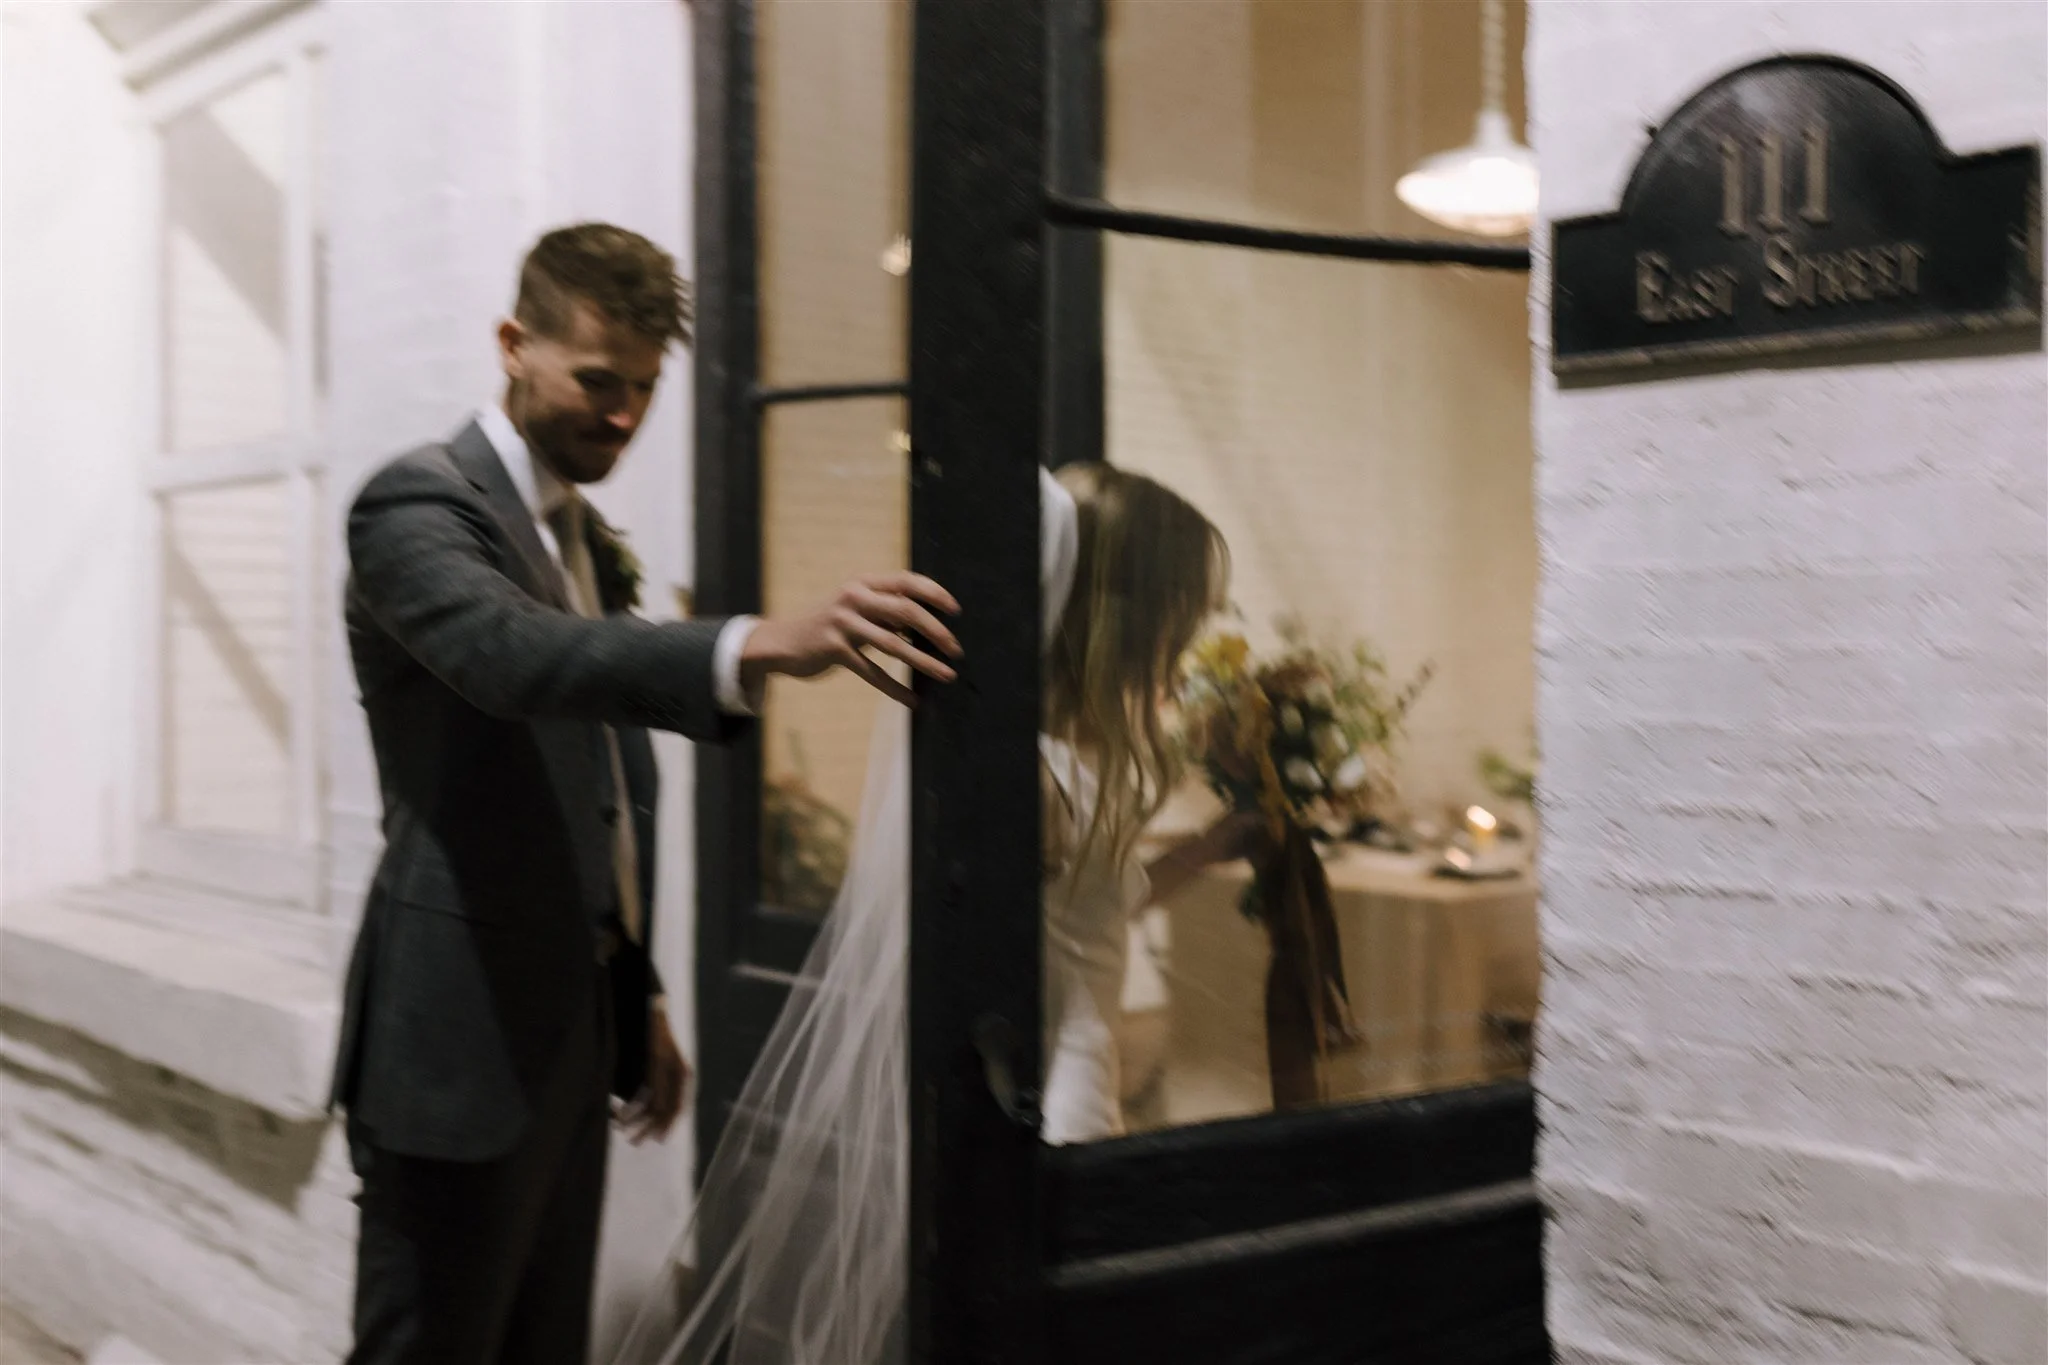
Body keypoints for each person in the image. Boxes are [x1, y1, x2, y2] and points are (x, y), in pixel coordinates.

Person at [328, 222, 961, 1365]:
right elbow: (515, 661)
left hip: (572, 1036)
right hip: (452, 1046)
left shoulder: (577, 534)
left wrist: (639, 989)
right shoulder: (414, 508)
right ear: (514, 344)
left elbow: (605, 784)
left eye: (644, 391)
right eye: (597, 382)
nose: (621, 417)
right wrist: (757, 643)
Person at [614, 462, 1256, 1365]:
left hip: (1086, 1068)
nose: (1191, 636)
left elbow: (1091, 912)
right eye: (1183, 611)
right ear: (1131, 614)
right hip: (1059, 1095)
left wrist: (1209, 845)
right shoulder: (1027, 771)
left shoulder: (1075, 751)